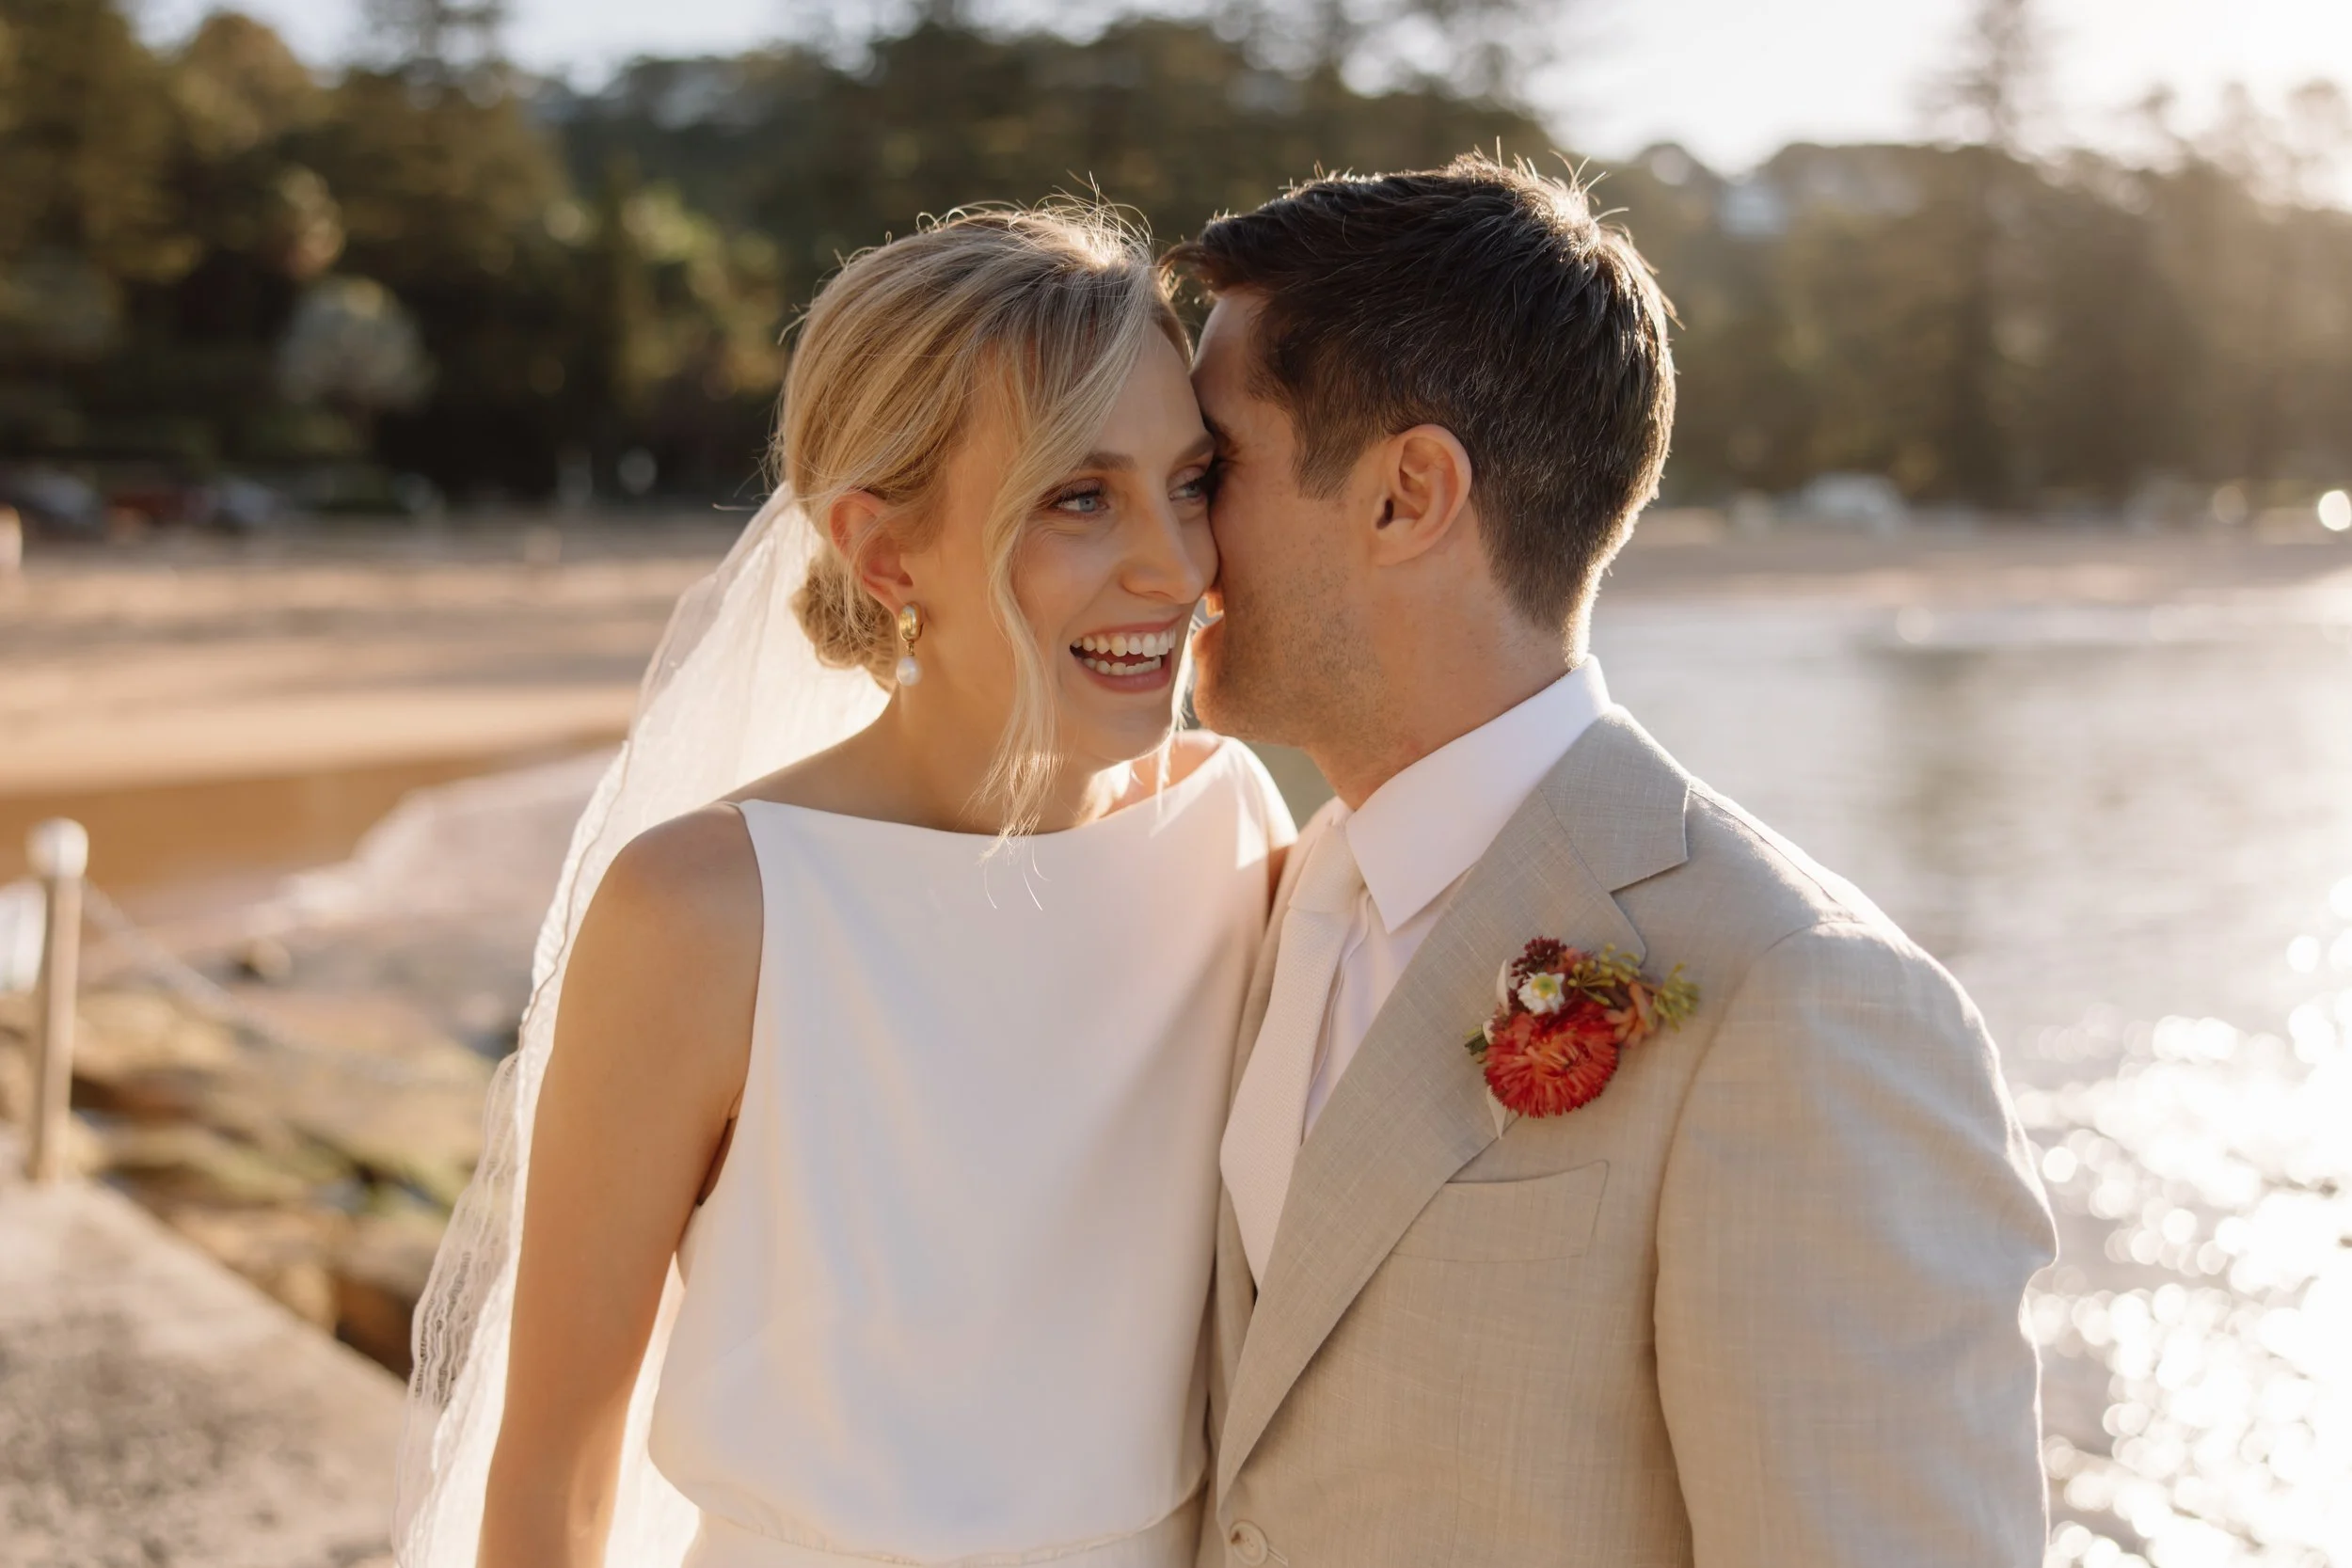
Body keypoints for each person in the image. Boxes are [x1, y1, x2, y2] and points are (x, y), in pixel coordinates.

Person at [1171, 154, 2058, 1567]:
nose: (1171, 543)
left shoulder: (1806, 999)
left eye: (1208, 471)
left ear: (1408, 494)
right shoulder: (1278, 892)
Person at [393, 207, 1295, 1568]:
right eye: (1079, 496)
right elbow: (555, 1470)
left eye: (1191, 481)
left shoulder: (1228, 826)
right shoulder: (706, 909)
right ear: (883, 552)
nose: (1179, 567)